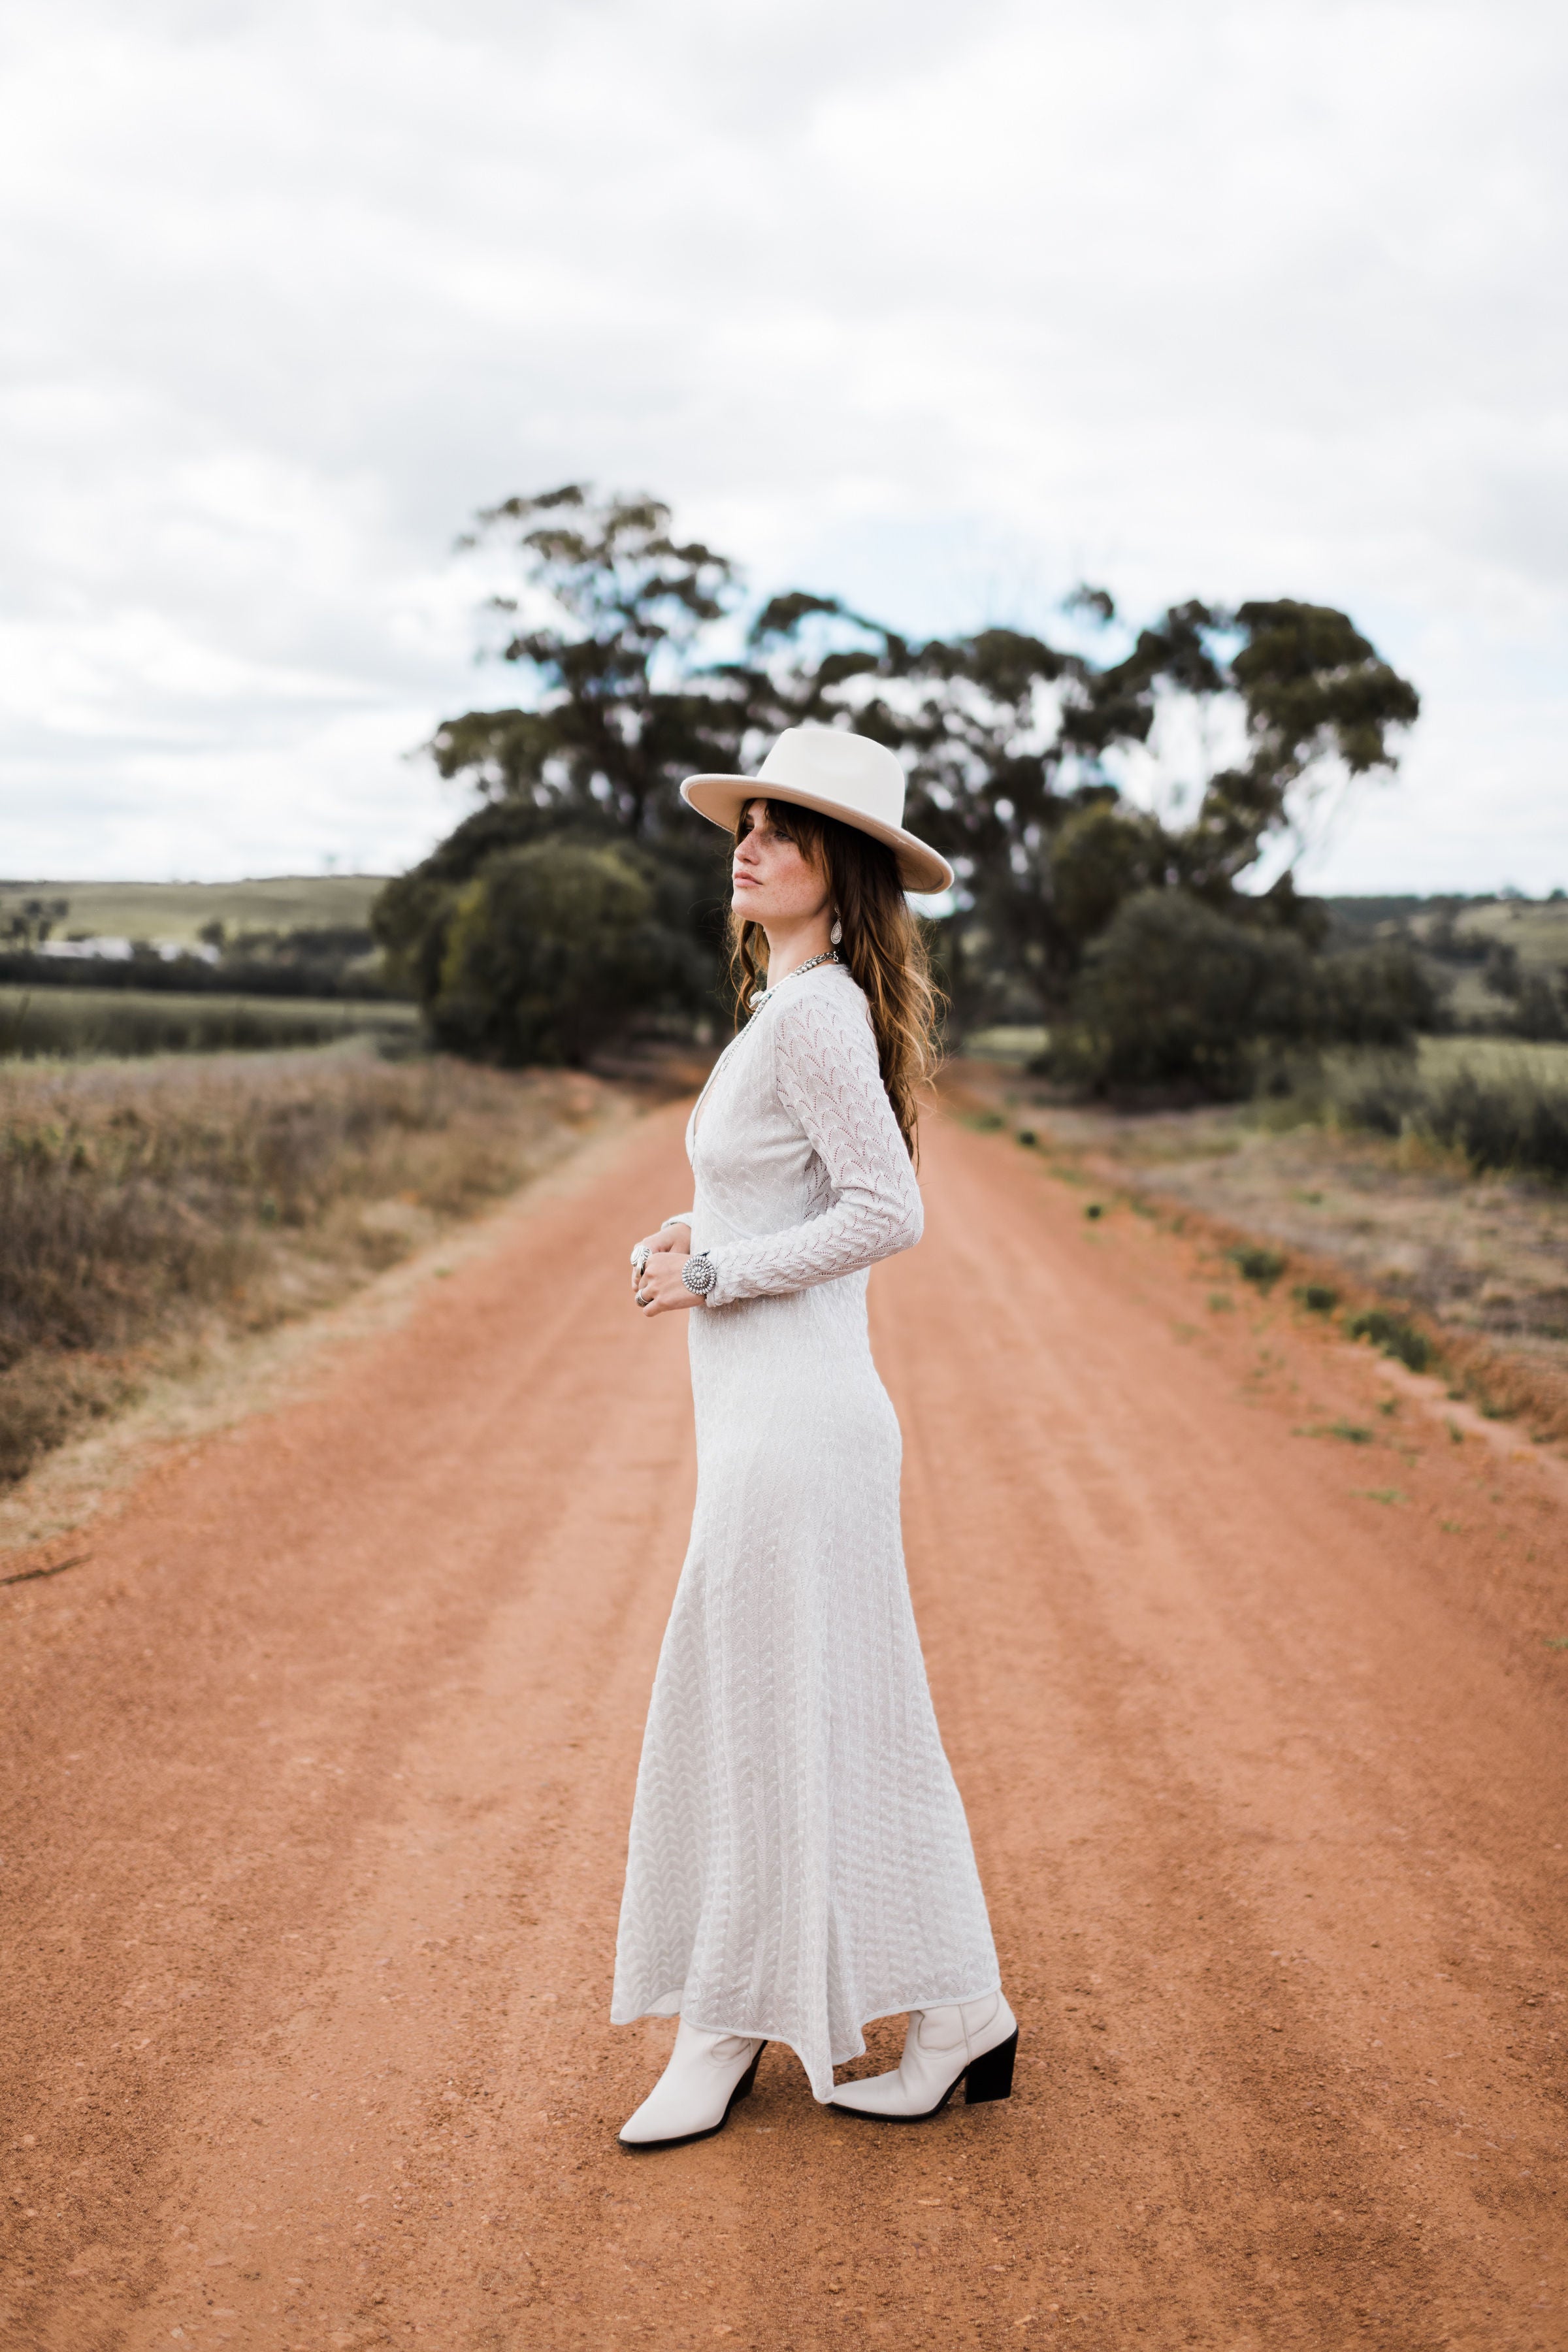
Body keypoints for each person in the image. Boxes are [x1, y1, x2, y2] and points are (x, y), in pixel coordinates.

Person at [612, 725, 1016, 2150]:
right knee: (829, 1715)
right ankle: (962, 2012)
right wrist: (697, 1231)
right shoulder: (783, 1010)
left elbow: (887, 1209)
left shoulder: (817, 1013)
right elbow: (792, 1200)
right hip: (770, 1423)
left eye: (786, 829)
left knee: (757, 1713)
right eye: (751, 821)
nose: (753, 841)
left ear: (840, 870)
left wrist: (718, 1274)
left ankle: (723, 2029)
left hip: (800, 1430)